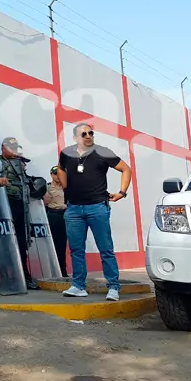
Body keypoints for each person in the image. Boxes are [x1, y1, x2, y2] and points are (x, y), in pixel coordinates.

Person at [57, 123, 132, 301]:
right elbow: (60, 168)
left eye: (91, 133)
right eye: (84, 134)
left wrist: (121, 192)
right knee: (76, 250)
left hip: (97, 207)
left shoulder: (102, 152)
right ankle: (78, 286)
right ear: (76, 138)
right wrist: (65, 186)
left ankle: (113, 287)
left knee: (105, 249)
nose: (88, 136)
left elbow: (125, 169)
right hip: (74, 209)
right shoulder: (67, 153)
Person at [0, 137, 40, 290]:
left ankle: (23, 275)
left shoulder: (18, 163)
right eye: (10, 147)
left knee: (21, 242)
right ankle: (6, 277)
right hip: (5, 207)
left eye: (15, 148)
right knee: (5, 244)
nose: (13, 151)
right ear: (3, 148)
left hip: (21, 206)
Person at [44, 166, 69, 278]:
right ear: (51, 175)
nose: (57, 176)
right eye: (55, 174)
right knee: (52, 244)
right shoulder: (47, 188)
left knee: (62, 244)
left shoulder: (67, 187)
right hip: (52, 216)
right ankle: (53, 271)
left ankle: (63, 271)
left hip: (65, 216)